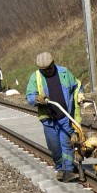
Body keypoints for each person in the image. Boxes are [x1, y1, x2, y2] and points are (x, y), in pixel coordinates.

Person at [26, 51, 83, 182]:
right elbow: (29, 97)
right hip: (48, 118)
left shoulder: (64, 73)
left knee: (67, 144)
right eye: (43, 70)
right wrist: (37, 98)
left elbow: (77, 85)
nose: (47, 71)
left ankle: (68, 170)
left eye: (49, 68)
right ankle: (60, 168)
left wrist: (80, 94)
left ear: (53, 63)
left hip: (65, 116)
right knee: (54, 146)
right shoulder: (35, 77)